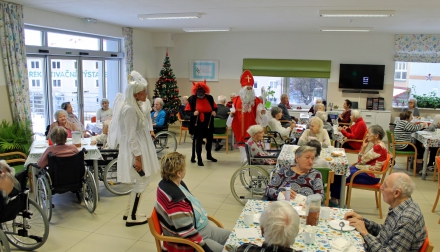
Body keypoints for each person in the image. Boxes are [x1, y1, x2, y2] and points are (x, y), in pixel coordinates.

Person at [155, 152, 231, 252]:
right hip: (195, 240)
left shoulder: (170, 183)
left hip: (204, 228)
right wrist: (205, 248)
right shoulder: (176, 200)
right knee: (226, 250)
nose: (185, 170)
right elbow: (187, 233)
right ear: (178, 173)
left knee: (234, 238)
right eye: (184, 167)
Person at [116, 70, 160, 227]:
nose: (146, 94)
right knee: (142, 181)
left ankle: (129, 212)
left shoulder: (136, 107)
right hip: (136, 151)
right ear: (135, 94)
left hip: (141, 148)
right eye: (143, 92)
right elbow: (130, 136)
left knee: (143, 180)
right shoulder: (130, 110)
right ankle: (132, 216)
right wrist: (138, 158)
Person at [345, 172, 426, 252]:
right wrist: (362, 221)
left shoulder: (407, 220)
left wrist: (365, 233)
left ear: (396, 193)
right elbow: (386, 233)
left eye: (385, 186)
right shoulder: (400, 206)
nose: (381, 187)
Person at [330, 125, 388, 206]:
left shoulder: (378, 147)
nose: (367, 135)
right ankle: (336, 198)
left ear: (376, 136)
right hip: (368, 171)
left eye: (369, 133)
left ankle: (335, 201)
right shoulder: (378, 145)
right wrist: (363, 149)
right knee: (342, 171)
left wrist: (363, 148)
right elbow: (361, 161)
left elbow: (361, 161)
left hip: (371, 175)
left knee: (340, 175)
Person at [185, 80, 218, 166]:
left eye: (202, 91)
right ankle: (199, 158)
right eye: (198, 91)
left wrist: (214, 112)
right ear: (195, 91)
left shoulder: (210, 98)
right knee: (198, 141)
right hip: (197, 123)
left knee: (210, 140)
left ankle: (209, 155)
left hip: (208, 122)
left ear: (205, 90)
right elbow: (187, 111)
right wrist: (193, 113)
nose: (200, 92)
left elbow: (215, 107)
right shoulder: (192, 99)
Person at [230, 70, 267, 144]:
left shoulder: (257, 100)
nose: (249, 90)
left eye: (250, 88)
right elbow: (233, 112)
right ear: (243, 89)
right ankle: (243, 155)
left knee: (252, 145)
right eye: (247, 88)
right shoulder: (236, 100)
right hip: (240, 126)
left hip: (252, 125)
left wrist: (262, 112)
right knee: (242, 145)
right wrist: (232, 114)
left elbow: (259, 111)